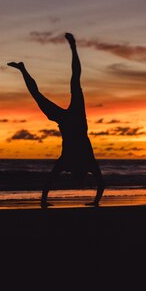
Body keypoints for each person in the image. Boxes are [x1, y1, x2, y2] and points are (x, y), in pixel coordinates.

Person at [8, 32, 105, 208]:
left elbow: (49, 182)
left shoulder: (69, 163)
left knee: (44, 94)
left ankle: (23, 69)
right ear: (78, 173)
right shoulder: (80, 162)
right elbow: (101, 185)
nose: (76, 176)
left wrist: (44, 202)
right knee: (73, 81)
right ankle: (72, 47)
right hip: (74, 118)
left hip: (68, 121)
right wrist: (95, 203)